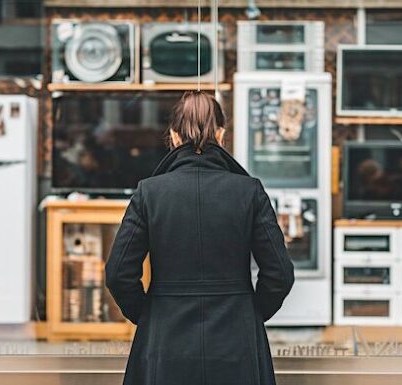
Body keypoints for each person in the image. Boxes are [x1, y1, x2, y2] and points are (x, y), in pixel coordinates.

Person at [105, 91, 295, 385]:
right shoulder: (250, 192)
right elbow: (280, 274)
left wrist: (150, 316)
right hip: (237, 339)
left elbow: (119, 274)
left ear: (173, 136)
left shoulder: (149, 193)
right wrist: (250, 313)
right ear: (221, 134)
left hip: (165, 340)